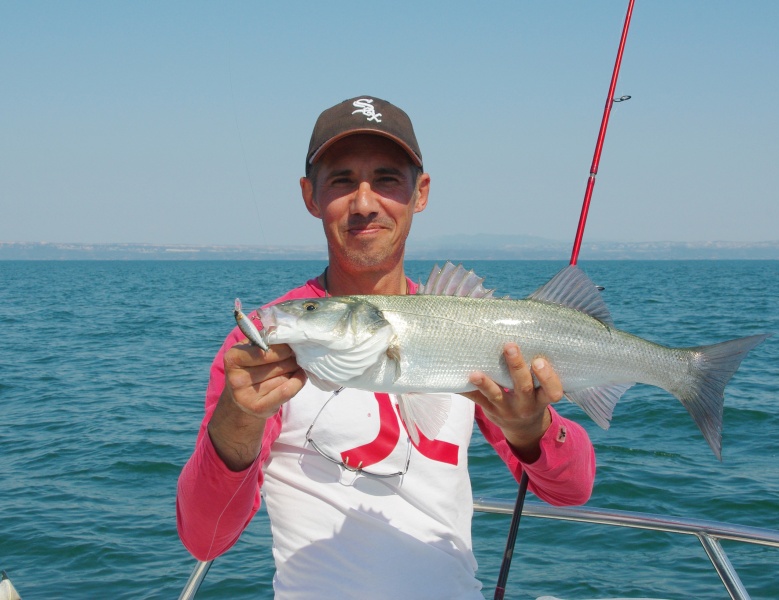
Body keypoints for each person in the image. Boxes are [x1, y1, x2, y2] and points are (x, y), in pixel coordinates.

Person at [177, 95, 595, 598]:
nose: (365, 202)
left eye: (387, 178)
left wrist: (534, 430)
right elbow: (206, 539)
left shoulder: (464, 328)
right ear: (310, 196)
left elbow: (571, 491)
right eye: (341, 180)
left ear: (421, 193)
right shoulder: (264, 348)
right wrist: (236, 420)